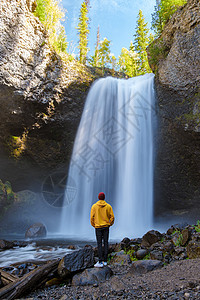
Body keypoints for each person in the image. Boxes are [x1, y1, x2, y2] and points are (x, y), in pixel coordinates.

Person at [90, 192, 114, 267]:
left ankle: (100, 261)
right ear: (104, 198)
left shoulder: (94, 206)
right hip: (106, 227)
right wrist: (110, 224)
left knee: (99, 243)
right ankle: (105, 260)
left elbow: (91, 218)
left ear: (98, 197)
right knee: (106, 242)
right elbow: (112, 217)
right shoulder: (108, 206)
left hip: (98, 227)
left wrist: (94, 225)